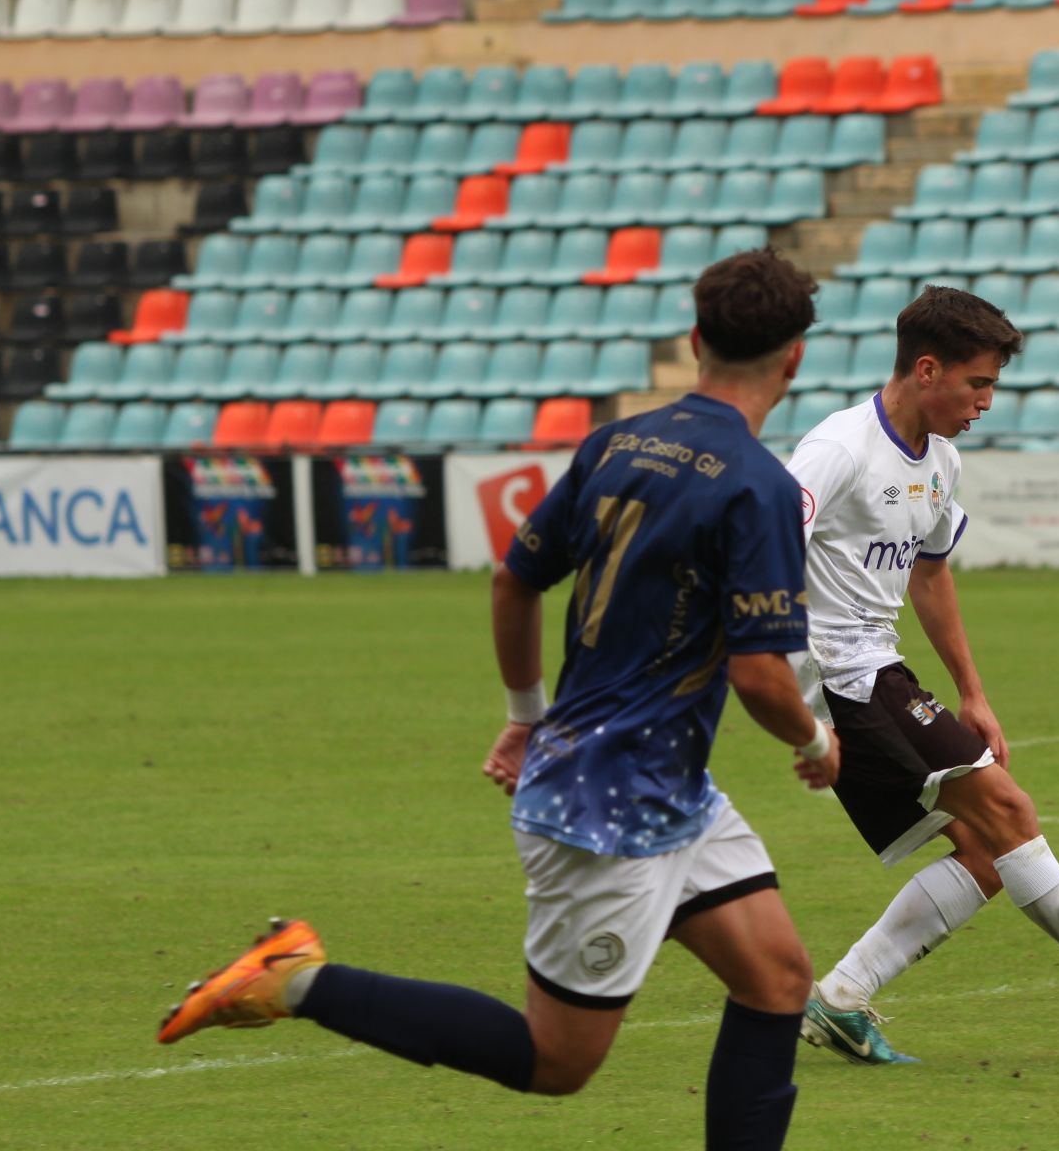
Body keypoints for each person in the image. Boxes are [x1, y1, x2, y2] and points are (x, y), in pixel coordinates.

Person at [157, 249, 839, 1150]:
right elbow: (761, 676)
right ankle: (293, 979)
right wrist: (815, 739)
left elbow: (514, 583)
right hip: (611, 814)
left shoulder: (616, 442)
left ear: (696, 338)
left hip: (661, 788)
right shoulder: (759, 487)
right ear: (795, 359)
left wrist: (525, 716)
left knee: (779, 980)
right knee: (558, 1061)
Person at [784, 285, 1059, 1066]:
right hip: (843, 679)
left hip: (879, 669)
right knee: (1008, 809)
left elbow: (930, 575)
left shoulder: (942, 461)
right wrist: (793, 688)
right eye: (978, 384)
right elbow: (764, 545)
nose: (987, 402)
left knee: (987, 854)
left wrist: (973, 691)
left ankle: (840, 998)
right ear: (927, 370)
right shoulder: (840, 448)